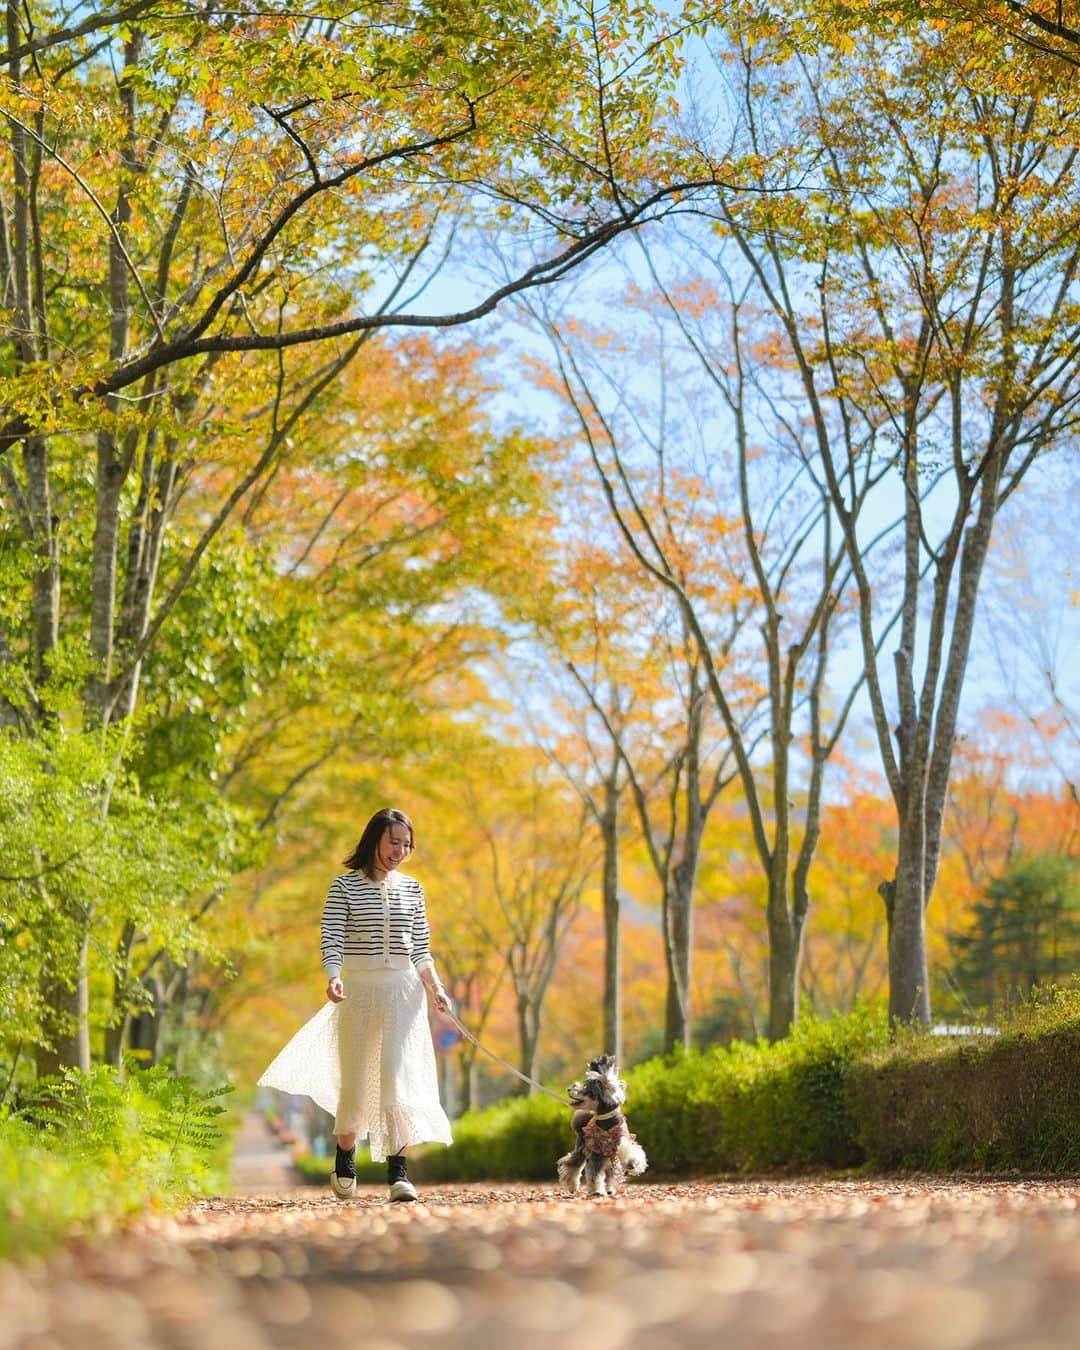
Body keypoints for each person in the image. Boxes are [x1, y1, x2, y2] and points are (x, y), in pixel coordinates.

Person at [258, 807, 453, 1202]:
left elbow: (422, 950)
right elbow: (330, 937)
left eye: (406, 845)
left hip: (404, 993)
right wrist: (333, 976)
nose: (399, 851)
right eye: (393, 842)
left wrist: (435, 988)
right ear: (374, 841)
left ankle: (398, 1173)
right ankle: (345, 1151)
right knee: (357, 1080)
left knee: (398, 1078)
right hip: (359, 991)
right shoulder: (343, 888)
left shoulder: (413, 890)